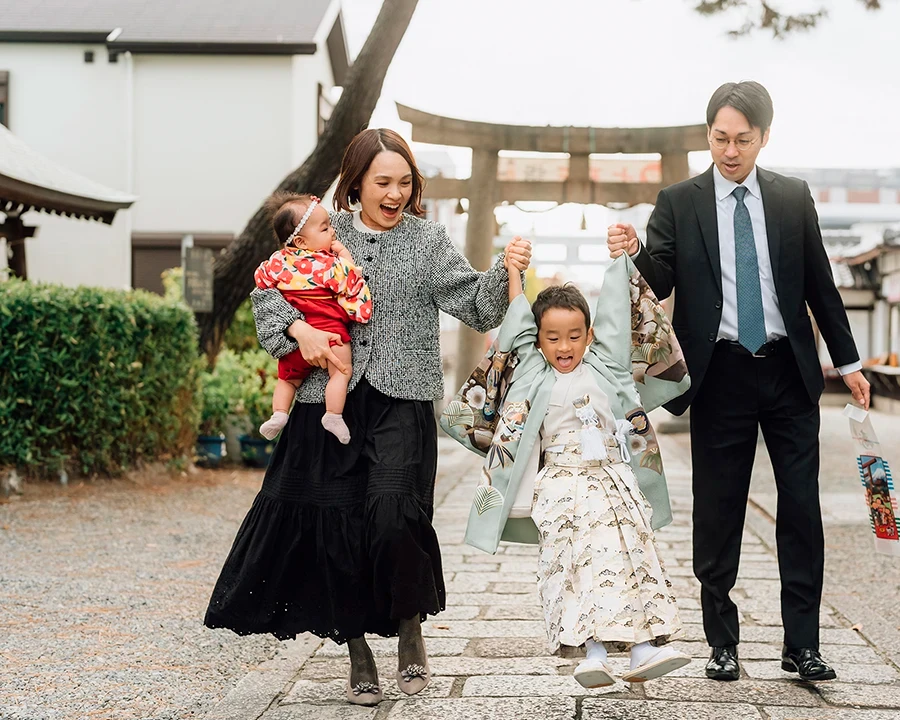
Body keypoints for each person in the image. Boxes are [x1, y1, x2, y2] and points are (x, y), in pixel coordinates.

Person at [204, 128, 532, 706]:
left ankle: (409, 624)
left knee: (391, 516)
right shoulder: (320, 229)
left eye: (405, 182)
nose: (395, 193)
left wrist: (506, 270)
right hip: (324, 405)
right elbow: (269, 289)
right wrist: (298, 328)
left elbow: (476, 304)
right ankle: (356, 651)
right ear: (355, 183)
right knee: (337, 529)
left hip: (401, 402)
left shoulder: (426, 242)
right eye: (383, 181)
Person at [606, 81, 871, 683]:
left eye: (742, 140)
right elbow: (660, 280)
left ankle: (802, 645)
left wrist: (849, 363)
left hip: (789, 372)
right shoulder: (680, 200)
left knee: (801, 510)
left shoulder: (791, 197)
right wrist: (633, 252)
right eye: (720, 138)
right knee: (719, 510)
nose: (730, 151)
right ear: (708, 137)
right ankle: (721, 642)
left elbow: (820, 285)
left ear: (765, 137)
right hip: (719, 373)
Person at [441, 251, 693, 688]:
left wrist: (619, 261)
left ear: (590, 335)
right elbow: (517, 321)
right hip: (560, 482)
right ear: (537, 340)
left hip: (611, 479)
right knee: (575, 563)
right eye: (553, 337)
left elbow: (617, 313)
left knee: (631, 556)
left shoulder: (608, 366)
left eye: (575, 336)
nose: (565, 346)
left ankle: (644, 646)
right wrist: (515, 273)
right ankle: (591, 652)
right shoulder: (533, 372)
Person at [254, 193, 373, 444]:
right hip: (331, 333)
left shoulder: (276, 262)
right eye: (325, 228)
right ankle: (333, 415)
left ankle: (278, 414)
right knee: (341, 372)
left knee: (288, 380)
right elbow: (350, 281)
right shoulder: (328, 264)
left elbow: (261, 283)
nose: (333, 232)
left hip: (295, 343)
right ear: (301, 240)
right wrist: (345, 256)